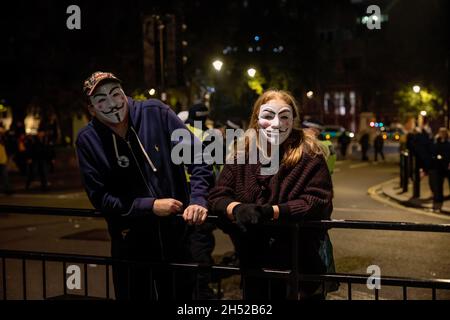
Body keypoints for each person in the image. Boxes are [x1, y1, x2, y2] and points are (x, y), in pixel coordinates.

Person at [75, 71, 214, 300]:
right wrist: (149, 206)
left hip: (176, 242)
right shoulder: (88, 140)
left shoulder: (156, 113)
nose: (111, 103)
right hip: (130, 249)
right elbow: (100, 197)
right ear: (91, 108)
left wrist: (198, 199)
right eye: (101, 100)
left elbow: (198, 157)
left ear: (124, 93)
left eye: (115, 94)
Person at [208, 89, 335, 300]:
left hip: (299, 271)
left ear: (293, 120)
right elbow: (217, 196)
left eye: (284, 116)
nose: (276, 124)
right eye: (268, 116)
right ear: (257, 118)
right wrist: (236, 209)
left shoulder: (310, 154)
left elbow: (317, 200)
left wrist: (272, 212)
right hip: (255, 267)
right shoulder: (242, 153)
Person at [429, 128, 450, 213]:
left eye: (443, 133)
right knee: (438, 187)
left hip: (447, 167)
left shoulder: (448, 143)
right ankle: (438, 204)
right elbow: (433, 152)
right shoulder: (436, 142)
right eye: (440, 133)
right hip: (439, 167)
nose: (441, 134)